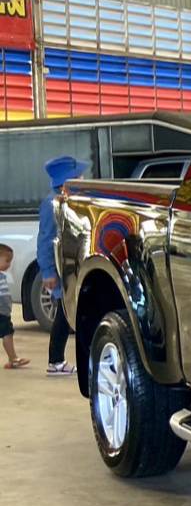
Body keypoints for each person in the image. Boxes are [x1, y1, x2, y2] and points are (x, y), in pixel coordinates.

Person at [38, 154, 86, 378]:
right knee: (64, 314)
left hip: (70, 265)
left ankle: (57, 361)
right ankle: (55, 361)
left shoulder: (66, 201)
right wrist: (48, 271)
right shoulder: (51, 204)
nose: (83, 178)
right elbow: (45, 240)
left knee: (67, 313)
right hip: (60, 268)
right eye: (79, 176)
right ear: (67, 180)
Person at [0, 243, 30, 370]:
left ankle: (12, 359)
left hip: (4, 312)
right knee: (7, 333)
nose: (9, 265)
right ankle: (13, 359)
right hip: (1, 313)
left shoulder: (2, 276)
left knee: (8, 333)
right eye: (7, 261)